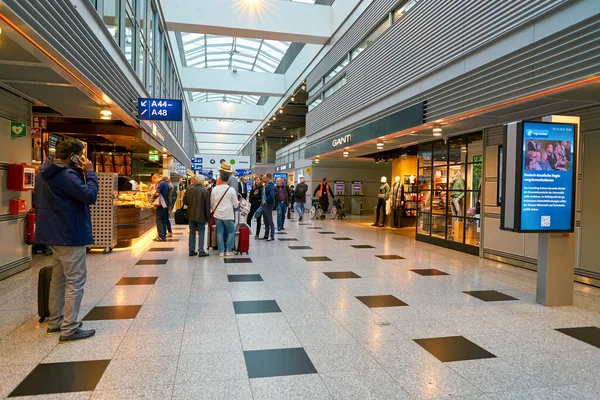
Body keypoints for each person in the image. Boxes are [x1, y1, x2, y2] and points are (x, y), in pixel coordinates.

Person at [34, 138, 98, 342]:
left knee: (58, 279)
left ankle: (55, 321)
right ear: (74, 156)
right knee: (76, 280)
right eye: (82, 154)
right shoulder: (67, 174)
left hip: (53, 233)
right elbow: (89, 196)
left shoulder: (44, 173)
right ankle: (70, 327)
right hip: (69, 232)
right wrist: (89, 172)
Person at [211, 163, 239, 256]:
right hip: (228, 214)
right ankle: (228, 251)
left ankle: (221, 251)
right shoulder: (231, 189)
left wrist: (213, 208)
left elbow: (212, 202)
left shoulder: (214, 189)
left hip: (218, 214)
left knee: (219, 232)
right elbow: (235, 204)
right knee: (231, 232)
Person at [183, 175, 211, 257]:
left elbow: (185, 202)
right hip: (201, 215)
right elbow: (207, 206)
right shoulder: (205, 191)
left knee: (192, 232)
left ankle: (191, 250)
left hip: (191, 214)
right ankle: (201, 250)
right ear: (202, 181)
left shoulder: (189, 189)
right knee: (201, 232)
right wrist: (207, 218)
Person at [152, 173, 170, 241]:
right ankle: (163, 235)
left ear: (155, 178)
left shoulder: (160, 184)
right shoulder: (165, 183)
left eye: (154, 180)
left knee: (158, 219)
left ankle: (161, 236)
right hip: (165, 204)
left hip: (161, 204)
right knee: (163, 219)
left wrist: (152, 193)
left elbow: (158, 193)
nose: (154, 182)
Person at [261, 173, 276, 241]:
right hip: (264, 205)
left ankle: (272, 236)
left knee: (270, 221)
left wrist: (266, 201)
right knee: (265, 221)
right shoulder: (266, 185)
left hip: (268, 205)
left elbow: (271, 195)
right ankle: (266, 235)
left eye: (264, 178)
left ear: (268, 178)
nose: (263, 179)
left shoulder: (270, 185)